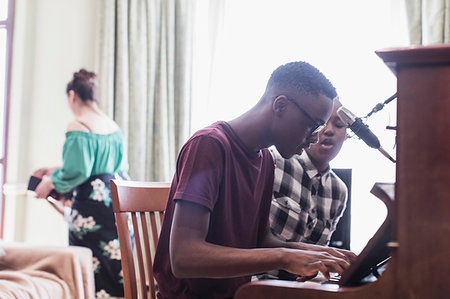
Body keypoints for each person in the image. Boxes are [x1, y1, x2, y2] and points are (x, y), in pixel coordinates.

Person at [153, 61, 357, 299]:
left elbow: (259, 240)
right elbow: (184, 258)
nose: (314, 137)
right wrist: (285, 257)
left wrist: (316, 253)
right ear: (281, 106)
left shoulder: (266, 161)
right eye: (313, 125)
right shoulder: (209, 145)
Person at [33, 69, 129, 298]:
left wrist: (49, 182)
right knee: (115, 266)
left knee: (88, 266)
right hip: (117, 205)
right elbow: (107, 168)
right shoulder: (112, 126)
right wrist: (55, 169)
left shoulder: (78, 126)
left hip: (91, 209)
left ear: (72, 96)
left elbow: (77, 171)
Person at [262, 98, 350, 281]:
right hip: (256, 286)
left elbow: (316, 262)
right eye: (321, 123)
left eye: (339, 124)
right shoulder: (274, 160)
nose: (329, 130)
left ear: (347, 133)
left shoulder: (339, 191)